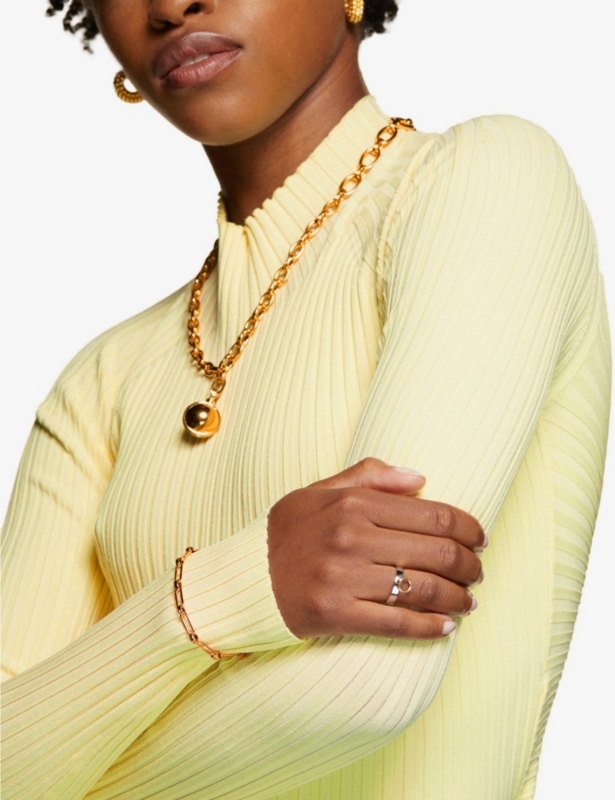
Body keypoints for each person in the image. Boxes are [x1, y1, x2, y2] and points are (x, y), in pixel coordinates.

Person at [1, 0, 610, 798]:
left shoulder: (485, 183)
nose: (170, 5)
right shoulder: (103, 378)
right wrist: (214, 600)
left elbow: (362, 688)